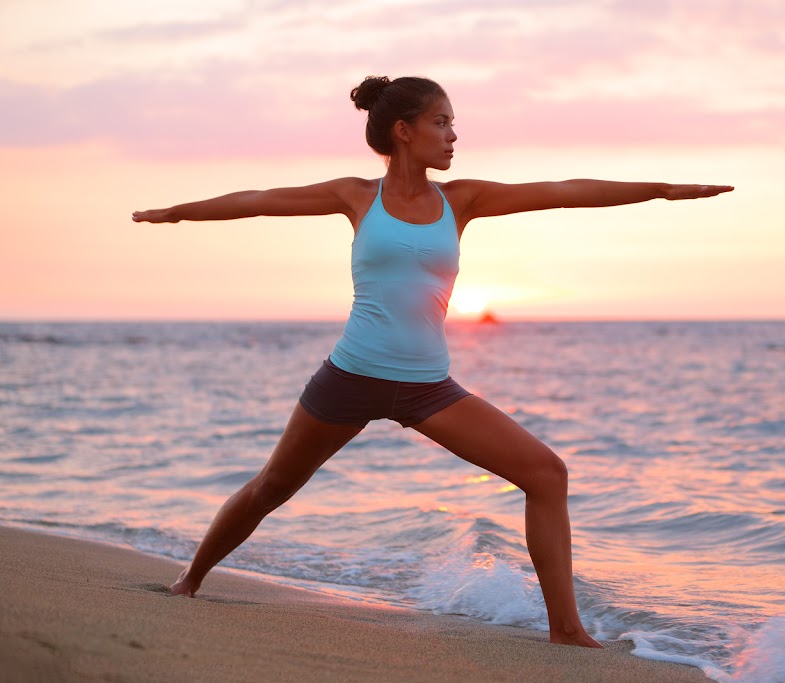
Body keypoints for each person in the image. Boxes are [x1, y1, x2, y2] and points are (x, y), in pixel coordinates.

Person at [132, 75, 733, 648]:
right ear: (402, 130)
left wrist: (660, 190)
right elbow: (260, 201)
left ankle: (566, 629)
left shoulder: (462, 200)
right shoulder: (356, 195)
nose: (452, 135)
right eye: (441, 122)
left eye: (453, 124)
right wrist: (177, 212)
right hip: (349, 377)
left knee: (546, 474)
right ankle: (190, 579)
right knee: (272, 487)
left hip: (427, 388)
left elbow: (562, 192)